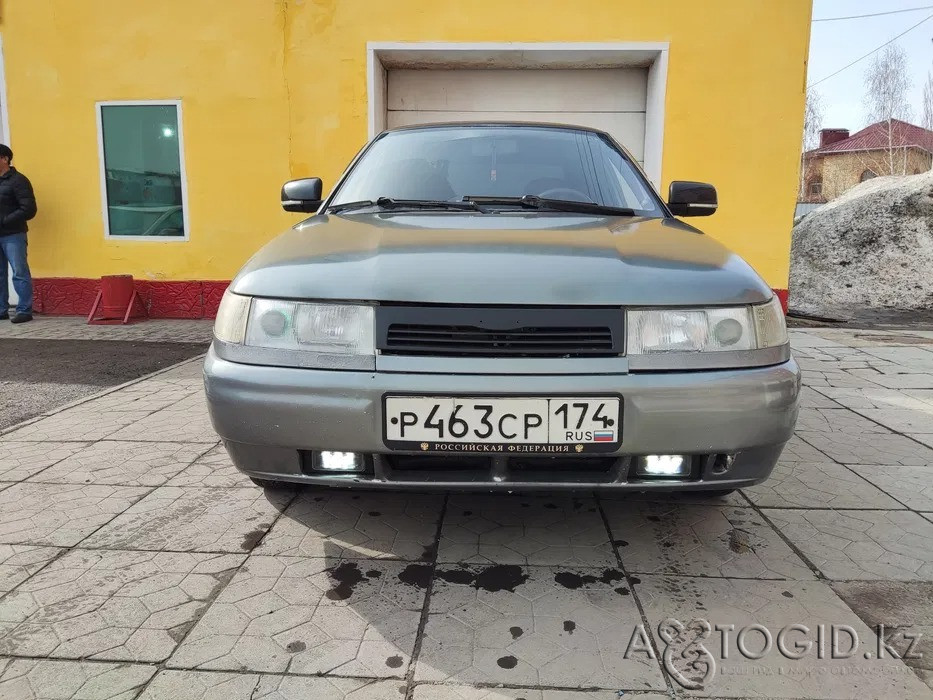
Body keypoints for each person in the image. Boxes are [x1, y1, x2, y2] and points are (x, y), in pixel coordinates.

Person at [0, 144, 37, 323]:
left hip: (13, 234)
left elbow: (29, 209)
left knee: (19, 271)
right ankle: (1, 309)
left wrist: (5, 220)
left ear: (5, 159)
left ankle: (24, 310)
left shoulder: (18, 180)